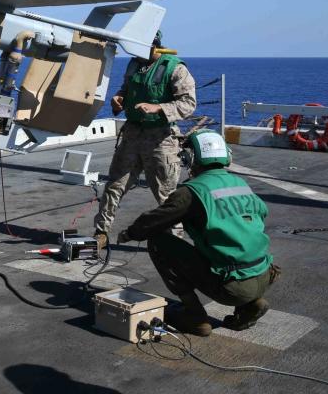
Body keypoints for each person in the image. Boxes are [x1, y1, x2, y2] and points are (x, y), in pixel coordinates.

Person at [116, 130, 278, 336]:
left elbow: (153, 222)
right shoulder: (241, 184)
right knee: (226, 247)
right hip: (264, 276)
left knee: (158, 241)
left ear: (190, 158)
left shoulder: (191, 192)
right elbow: (261, 215)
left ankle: (195, 316)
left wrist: (130, 233)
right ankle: (251, 303)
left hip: (232, 286)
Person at [93, 30, 196, 249]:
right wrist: (119, 99)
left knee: (167, 196)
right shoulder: (134, 65)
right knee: (114, 186)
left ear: (154, 45)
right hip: (132, 136)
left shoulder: (175, 68)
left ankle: (176, 244)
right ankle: (101, 233)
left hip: (161, 140)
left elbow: (188, 104)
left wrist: (159, 108)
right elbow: (126, 90)